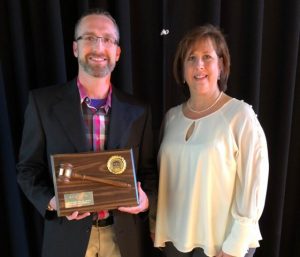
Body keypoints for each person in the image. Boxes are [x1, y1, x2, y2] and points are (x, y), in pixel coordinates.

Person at [17, 9, 157, 257]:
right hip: (66, 239)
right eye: (89, 38)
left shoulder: (139, 111)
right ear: (74, 48)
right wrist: (51, 201)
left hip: (123, 240)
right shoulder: (43, 104)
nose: (99, 47)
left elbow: (148, 172)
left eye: (107, 39)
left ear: (117, 52)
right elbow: (28, 170)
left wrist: (145, 201)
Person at [154, 24, 269, 257]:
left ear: (221, 65)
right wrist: (155, 223)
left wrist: (233, 247)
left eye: (207, 57)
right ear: (183, 69)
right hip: (175, 242)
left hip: (223, 245)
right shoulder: (172, 118)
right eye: (191, 58)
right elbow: (162, 179)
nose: (199, 65)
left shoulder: (240, 115)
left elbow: (254, 184)